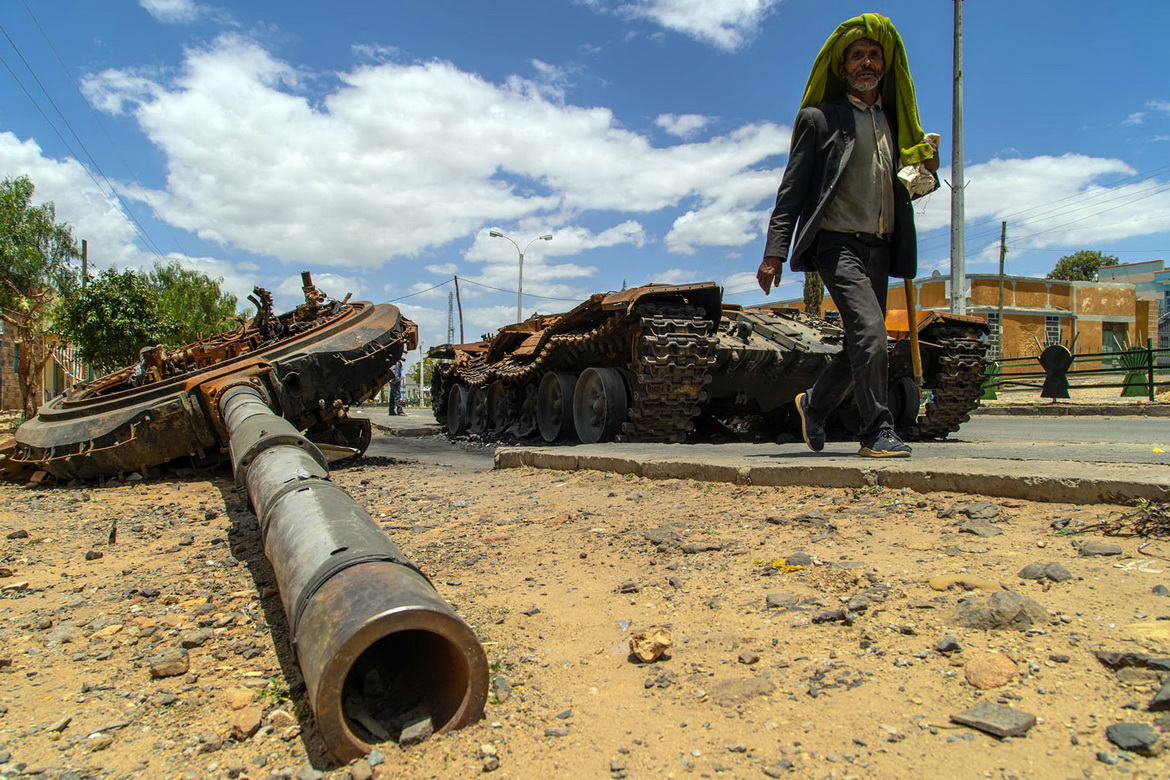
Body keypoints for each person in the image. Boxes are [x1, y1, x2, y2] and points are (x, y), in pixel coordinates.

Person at [757, 13, 939, 458]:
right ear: (842, 69)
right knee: (871, 333)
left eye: (874, 55)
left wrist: (928, 171)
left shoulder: (897, 125)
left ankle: (814, 406)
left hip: (880, 245)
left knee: (862, 339)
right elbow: (792, 189)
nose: (866, 62)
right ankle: (877, 430)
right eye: (857, 56)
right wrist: (774, 252)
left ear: (884, 66)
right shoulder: (819, 120)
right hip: (837, 244)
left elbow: (911, 189)